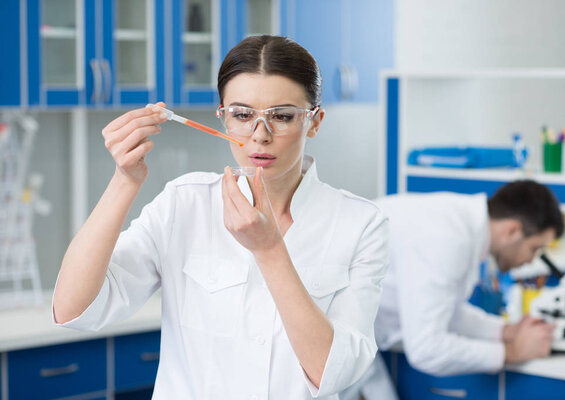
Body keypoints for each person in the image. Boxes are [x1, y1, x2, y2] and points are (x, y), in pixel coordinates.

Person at [52, 35, 388, 399]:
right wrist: (124, 180)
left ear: (315, 121)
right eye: (242, 115)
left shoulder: (361, 224)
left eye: (282, 116)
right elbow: (74, 309)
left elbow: (333, 373)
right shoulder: (184, 203)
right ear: (223, 117)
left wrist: (269, 249)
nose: (260, 136)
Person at [342, 180, 563, 400]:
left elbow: (446, 311)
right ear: (513, 230)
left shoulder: (462, 225)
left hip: (351, 343)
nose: (531, 260)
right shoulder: (447, 239)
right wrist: (512, 352)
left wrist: (505, 332)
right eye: (534, 248)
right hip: (330, 343)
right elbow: (426, 350)